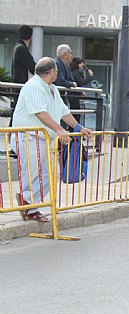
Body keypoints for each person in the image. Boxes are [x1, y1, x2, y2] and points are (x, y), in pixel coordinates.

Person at [11, 57, 92, 222]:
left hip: (43, 138)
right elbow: (40, 113)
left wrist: (78, 128)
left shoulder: (52, 88)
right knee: (33, 174)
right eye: (56, 70)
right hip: (29, 137)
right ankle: (29, 206)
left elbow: (63, 111)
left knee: (48, 175)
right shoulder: (33, 87)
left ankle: (28, 203)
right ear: (51, 72)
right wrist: (60, 129)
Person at [10, 25, 36, 127]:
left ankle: (12, 135)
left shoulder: (16, 46)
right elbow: (33, 67)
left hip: (17, 84)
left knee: (17, 111)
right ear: (30, 37)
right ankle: (13, 136)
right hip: (20, 85)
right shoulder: (22, 48)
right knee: (19, 111)